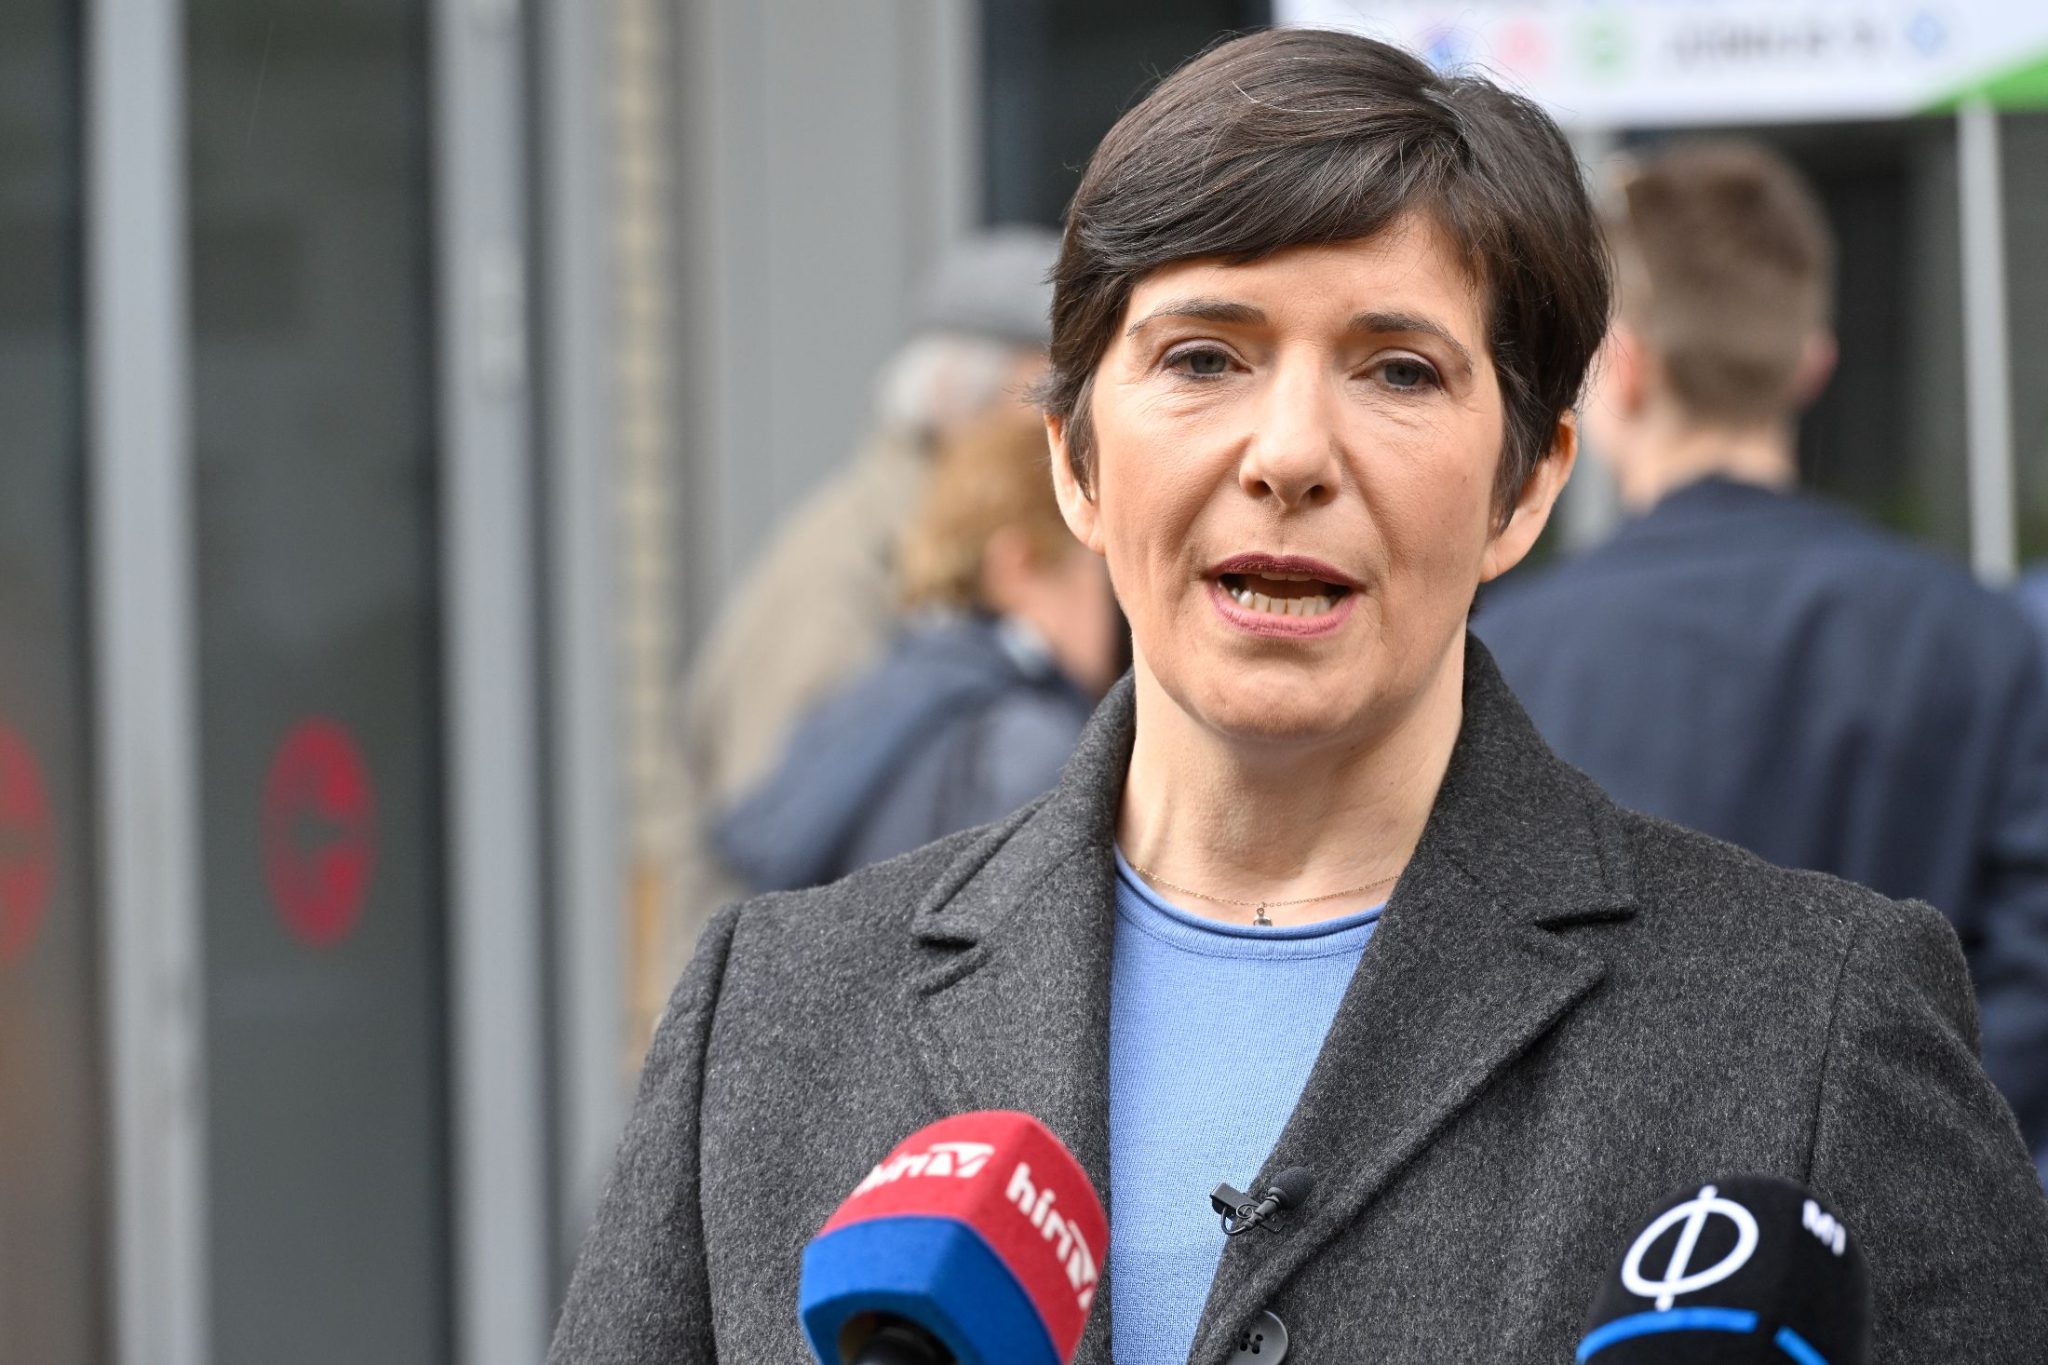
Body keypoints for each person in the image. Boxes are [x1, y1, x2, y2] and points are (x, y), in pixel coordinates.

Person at [552, 31, 2048, 1364]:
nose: (1288, 454)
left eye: (1397, 372)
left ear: (1527, 483)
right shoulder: (774, 1017)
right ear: (1074, 461)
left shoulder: (1813, 1023)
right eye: (1204, 356)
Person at [1473, 139, 2048, 1164]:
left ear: (1623, 371)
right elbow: (2028, 983)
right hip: (1902, 1211)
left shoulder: (1505, 658)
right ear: (1810, 363)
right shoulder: (1982, 637)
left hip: (1609, 1226)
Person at [647, 229, 1059, 1044]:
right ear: (959, 403)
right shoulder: (842, 575)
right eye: (1045, 398)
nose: (1069, 432)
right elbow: (778, 841)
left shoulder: (945, 551)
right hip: (763, 1047)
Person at [712, 407, 1121, 891]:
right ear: (1020, 566)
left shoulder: (881, 695)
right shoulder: (1030, 745)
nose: (1119, 608)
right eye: (1099, 571)